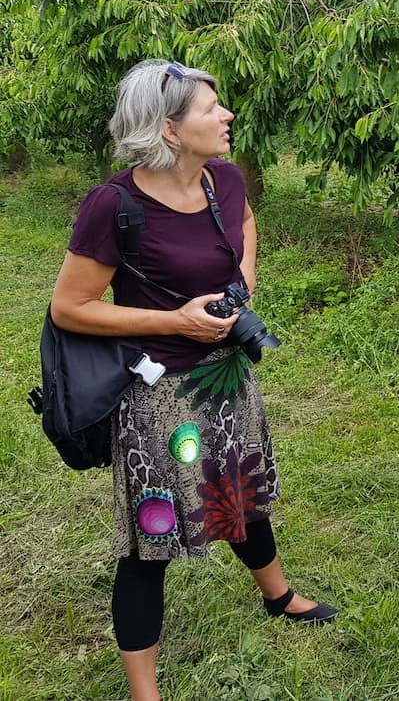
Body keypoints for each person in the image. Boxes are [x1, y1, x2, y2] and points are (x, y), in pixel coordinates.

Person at [50, 60, 335, 701]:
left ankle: (279, 596)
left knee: (240, 496)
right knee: (150, 540)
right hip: (157, 397)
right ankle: (145, 693)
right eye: (212, 109)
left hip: (227, 378)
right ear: (171, 129)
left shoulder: (225, 181)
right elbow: (69, 306)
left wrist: (245, 287)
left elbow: (246, 227)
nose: (227, 116)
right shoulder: (114, 204)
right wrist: (174, 321)